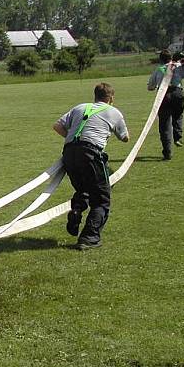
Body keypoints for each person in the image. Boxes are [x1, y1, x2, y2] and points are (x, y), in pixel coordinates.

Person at [53, 82, 130, 250]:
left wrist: (74, 139)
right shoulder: (113, 112)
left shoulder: (80, 107)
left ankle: (76, 211)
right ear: (111, 98)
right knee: (102, 199)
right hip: (91, 154)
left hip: (69, 153)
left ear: (95, 96)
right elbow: (125, 137)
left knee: (83, 189)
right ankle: (89, 237)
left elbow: (57, 126)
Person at [148, 50, 184, 161]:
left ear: (161, 59)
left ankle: (167, 153)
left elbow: (150, 87)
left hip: (163, 96)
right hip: (177, 92)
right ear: (170, 58)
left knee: (164, 125)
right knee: (178, 115)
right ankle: (178, 137)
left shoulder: (158, 69)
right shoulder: (177, 66)